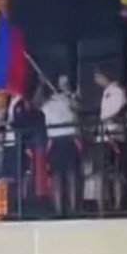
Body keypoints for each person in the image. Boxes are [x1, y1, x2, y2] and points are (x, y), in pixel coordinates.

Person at [43, 76, 81, 216]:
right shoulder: (48, 104)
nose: (64, 85)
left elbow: (78, 109)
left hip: (70, 140)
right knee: (56, 176)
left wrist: (70, 97)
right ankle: (58, 209)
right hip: (55, 141)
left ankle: (73, 208)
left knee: (72, 175)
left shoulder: (71, 99)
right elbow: (43, 114)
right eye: (62, 83)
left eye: (66, 83)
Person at [95, 65, 127, 210]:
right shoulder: (106, 92)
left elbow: (122, 111)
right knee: (102, 172)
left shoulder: (117, 91)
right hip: (103, 136)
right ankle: (102, 204)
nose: (96, 79)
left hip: (113, 136)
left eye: (97, 76)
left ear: (104, 76)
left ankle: (118, 204)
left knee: (116, 172)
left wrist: (109, 120)